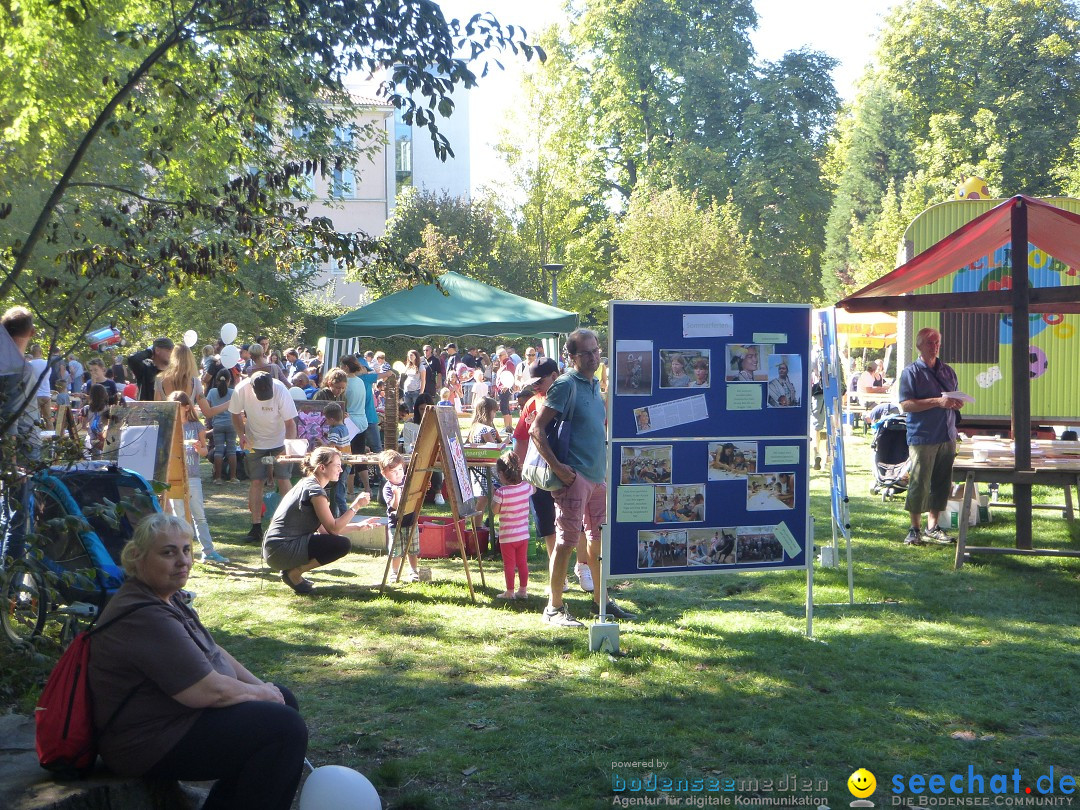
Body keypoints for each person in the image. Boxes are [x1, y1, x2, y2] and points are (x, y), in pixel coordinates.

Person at [88, 514, 307, 810]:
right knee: (284, 729)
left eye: (186, 550)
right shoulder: (144, 614)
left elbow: (213, 650)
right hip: (146, 742)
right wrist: (262, 695)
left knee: (283, 702)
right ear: (137, 558)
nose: (183, 561)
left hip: (174, 720)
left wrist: (264, 688)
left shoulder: (167, 596)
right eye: (168, 552)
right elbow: (206, 691)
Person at [530, 328, 635, 626]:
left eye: (596, 350)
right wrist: (560, 469)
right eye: (586, 353)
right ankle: (554, 608)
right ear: (572, 357)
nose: (594, 357)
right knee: (565, 542)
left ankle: (600, 601)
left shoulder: (591, 384)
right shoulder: (565, 385)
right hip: (574, 479)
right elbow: (537, 429)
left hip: (596, 478)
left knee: (598, 539)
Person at [263, 446, 368, 594]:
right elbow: (333, 529)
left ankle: (292, 572)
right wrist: (356, 506)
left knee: (337, 542)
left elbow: (325, 530)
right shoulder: (315, 491)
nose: (341, 470)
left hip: (274, 550)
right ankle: (294, 573)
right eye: (337, 466)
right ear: (322, 468)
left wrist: (357, 527)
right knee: (342, 544)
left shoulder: (307, 484)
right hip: (281, 551)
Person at [898, 326, 964, 546]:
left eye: (937, 342)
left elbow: (950, 399)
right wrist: (938, 401)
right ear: (919, 345)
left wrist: (955, 402)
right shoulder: (911, 372)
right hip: (923, 436)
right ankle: (914, 529)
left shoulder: (948, 371)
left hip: (947, 433)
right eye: (930, 342)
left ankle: (933, 527)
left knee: (942, 483)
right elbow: (906, 405)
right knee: (919, 482)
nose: (935, 346)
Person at [229, 371, 299, 543]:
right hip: (254, 443)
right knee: (256, 481)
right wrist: (241, 434)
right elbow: (235, 413)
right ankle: (256, 527)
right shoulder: (241, 389)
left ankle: (293, 524)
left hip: (280, 440)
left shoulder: (281, 389)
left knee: (283, 479)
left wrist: (287, 446)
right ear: (251, 388)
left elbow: (291, 423)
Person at [167, 391, 228, 564]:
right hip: (174, 476)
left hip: (192, 476)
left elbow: (204, 452)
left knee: (198, 515)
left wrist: (198, 448)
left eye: (177, 408)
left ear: (187, 408)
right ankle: (181, 553)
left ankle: (208, 551)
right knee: (178, 516)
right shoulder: (169, 426)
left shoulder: (196, 426)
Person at [491, 450, 533, 600]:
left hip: (507, 536)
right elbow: (533, 488)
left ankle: (509, 591)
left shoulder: (501, 492)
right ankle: (523, 590)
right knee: (522, 563)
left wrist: (494, 496)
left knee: (509, 564)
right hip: (523, 534)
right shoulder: (526, 487)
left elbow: (494, 510)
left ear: (502, 473)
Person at [379, 449, 420, 584]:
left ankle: (414, 571)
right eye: (393, 472)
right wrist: (397, 494)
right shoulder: (388, 488)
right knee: (396, 551)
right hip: (396, 524)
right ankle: (394, 573)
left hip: (411, 521)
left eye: (400, 470)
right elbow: (395, 506)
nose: (398, 474)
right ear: (385, 474)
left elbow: (416, 494)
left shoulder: (408, 481)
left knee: (412, 550)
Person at [205, 369, 238, 484]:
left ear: (216, 380)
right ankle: (233, 477)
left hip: (217, 425)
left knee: (218, 451)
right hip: (231, 424)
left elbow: (207, 409)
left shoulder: (212, 392)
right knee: (231, 450)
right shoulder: (233, 392)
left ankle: (218, 478)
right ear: (229, 380)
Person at [322, 402, 351, 517]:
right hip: (347, 463)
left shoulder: (334, 431)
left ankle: (345, 516)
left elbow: (332, 447)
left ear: (332, 419)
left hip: (340, 464)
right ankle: (336, 514)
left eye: (327, 420)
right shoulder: (344, 428)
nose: (326, 422)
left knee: (339, 494)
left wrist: (322, 443)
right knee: (339, 491)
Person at [127, 336, 174, 401]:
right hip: (147, 410)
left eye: (172, 351)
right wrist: (149, 351)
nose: (171, 354)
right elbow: (132, 359)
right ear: (157, 350)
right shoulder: (146, 368)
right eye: (168, 350)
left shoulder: (173, 371)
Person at [78, 383, 110, 459]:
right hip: (105, 438)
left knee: (95, 459)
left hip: (92, 438)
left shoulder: (86, 409)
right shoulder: (108, 408)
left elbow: (83, 426)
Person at [400, 348, 425, 413]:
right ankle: (409, 422)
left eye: (411, 355)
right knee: (408, 409)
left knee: (417, 408)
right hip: (407, 391)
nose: (410, 357)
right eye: (409, 356)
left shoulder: (421, 366)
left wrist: (421, 392)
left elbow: (423, 380)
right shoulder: (408, 366)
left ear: (415, 356)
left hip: (416, 391)